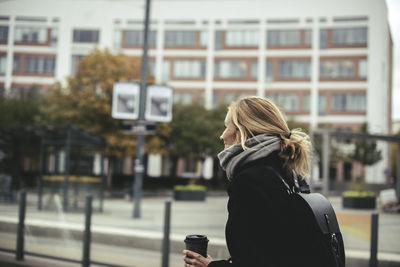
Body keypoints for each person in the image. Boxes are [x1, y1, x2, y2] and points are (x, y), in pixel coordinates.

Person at [183, 96, 325, 267]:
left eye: (226, 127)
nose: (222, 136)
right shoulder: (288, 173)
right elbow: (275, 249)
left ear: (244, 132)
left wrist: (211, 266)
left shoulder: (250, 181)